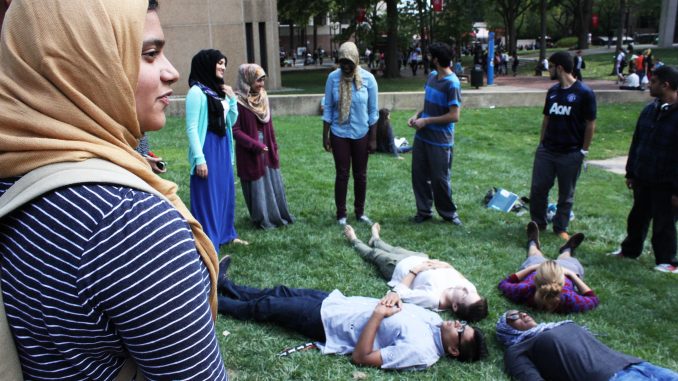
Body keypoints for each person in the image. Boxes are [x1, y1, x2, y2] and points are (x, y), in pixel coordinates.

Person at [0, 1, 227, 379]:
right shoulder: (128, 223)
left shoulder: (15, 169)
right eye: (149, 54)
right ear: (84, 67)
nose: (171, 72)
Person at [216, 260, 488, 370]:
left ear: (453, 349)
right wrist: (393, 297)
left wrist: (379, 316)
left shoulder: (421, 352)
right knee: (280, 291)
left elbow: (362, 358)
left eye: (461, 331)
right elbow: (397, 301)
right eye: (464, 323)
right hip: (339, 303)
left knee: (267, 307)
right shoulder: (436, 321)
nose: (458, 323)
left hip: (331, 324)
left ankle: (214, 302)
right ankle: (224, 284)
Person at [609, 66, 678, 273]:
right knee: (637, 217)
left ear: (666, 85)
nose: (649, 84)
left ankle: (667, 260)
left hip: (666, 183)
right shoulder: (650, 109)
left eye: (654, 81)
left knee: (663, 223)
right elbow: (637, 141)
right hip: (643, 177)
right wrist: (631, 172)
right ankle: (630, 250)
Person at [344, 223, 488, 322]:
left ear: (455, 306)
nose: (465, 288)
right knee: (393, 248)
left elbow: (400, 293)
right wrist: (446, 265)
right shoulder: (470, 290)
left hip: (397, 267)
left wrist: (415, 270)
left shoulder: (433, 299)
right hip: (418, 257)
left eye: (464, 294)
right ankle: (376, 239)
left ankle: (354, 240)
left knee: (374, 254)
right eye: (469, 290)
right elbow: (461, 277)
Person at [496, 310, 678, 381]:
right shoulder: (518, 349)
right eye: (513, 317)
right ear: (507, 330)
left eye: (521, 312)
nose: (522, 315)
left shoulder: (557, 325)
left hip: (636, 365)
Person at [529, 51, 596, 240]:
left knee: (566, 194)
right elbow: (546, 119)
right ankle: (538, 224)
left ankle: (560, 228)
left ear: (559, 68)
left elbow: (590, 123)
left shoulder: (584, 93)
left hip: (571, 153)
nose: (548, 70)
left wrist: (583, 150)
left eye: (550, 66)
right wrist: (541, 144)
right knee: (538, 189)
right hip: (547, 151)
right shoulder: (553, 92)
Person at [186, 49, 247, 247]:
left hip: (222, 146)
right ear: (207, 64)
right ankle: (208, 238)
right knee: (208, 193)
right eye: (219, 63)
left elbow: (229, 121)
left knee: (224, 191)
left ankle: (227, 234)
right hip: (207, 147)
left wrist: (231, 100)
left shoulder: (217, 91)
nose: (223, 67)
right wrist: (199, 158)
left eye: (224, 63)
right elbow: (192, 128)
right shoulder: (196, 92)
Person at [322, 41, 379, 226]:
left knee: (360, 174)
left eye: (349, 62)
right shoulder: (332, 78)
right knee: (342, 173)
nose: (346, 66)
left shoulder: (368, 79)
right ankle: (341, 214)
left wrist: (373, 138)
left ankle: (360, 212)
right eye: (342, 62)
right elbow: (328, 107)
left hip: (361, 132)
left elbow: (373, 111)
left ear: (356, 60)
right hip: (339, 132)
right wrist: (326, 134)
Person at [233, 64, 294, 229]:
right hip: (250, 150)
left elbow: (269, 124)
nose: (261, 84)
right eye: (258, 80)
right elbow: (235, 131)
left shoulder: (263, 97)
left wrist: (273, 145)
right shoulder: (237, 101)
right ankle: (262, 218)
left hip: (267, 146)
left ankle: (277, 214)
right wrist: (255, 145)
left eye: (262, 80)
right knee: (258, 184)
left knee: (272, 181)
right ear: (248, 79)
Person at [408, 42, 463, 225]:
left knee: (440, 179)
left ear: (437, 60)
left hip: (440, 140)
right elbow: (427, 102)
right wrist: (416, 115)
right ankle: (424, 211)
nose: (428, 58)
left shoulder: (452, 84)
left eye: (431, 56)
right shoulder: (432, 76)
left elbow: (454, 116)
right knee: (419, 175)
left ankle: (449, 214)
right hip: (422, 136)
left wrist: (427, 121)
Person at [498, 222, 599, 313]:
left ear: (535, 279)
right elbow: (593, 299)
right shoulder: (569, 299)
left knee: (534, 255)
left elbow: (503, 283)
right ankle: (567, 249)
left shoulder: (525, 290)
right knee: (567, 259)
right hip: (566, 269)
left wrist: (531, 268)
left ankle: (533, 243)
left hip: (538, 267)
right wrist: (572, 275)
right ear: (562, 282)